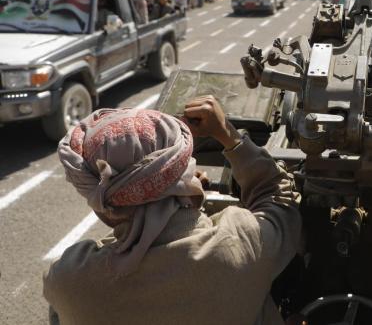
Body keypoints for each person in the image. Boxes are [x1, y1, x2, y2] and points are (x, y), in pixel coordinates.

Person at [44, 96, 301, 325]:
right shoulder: (242, 242)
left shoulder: (68, 280)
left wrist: (170, 194)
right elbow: (279, 199)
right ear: (182, 174)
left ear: (101, 202)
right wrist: (228, 135)